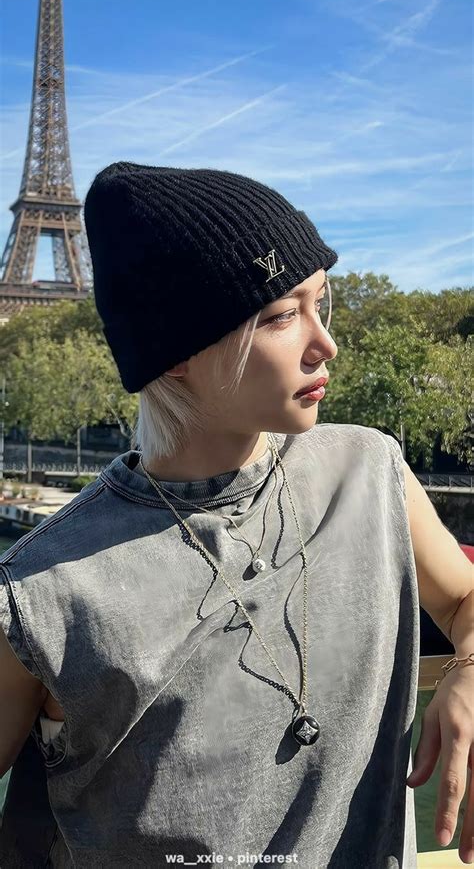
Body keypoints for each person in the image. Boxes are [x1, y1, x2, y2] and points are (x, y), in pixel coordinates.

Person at [0, 164, 472, 869]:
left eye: (323, 303)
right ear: (179, 352)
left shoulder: (374, 474)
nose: (326, 344)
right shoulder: (44, 591)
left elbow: (465, 596)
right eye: (282, 315)